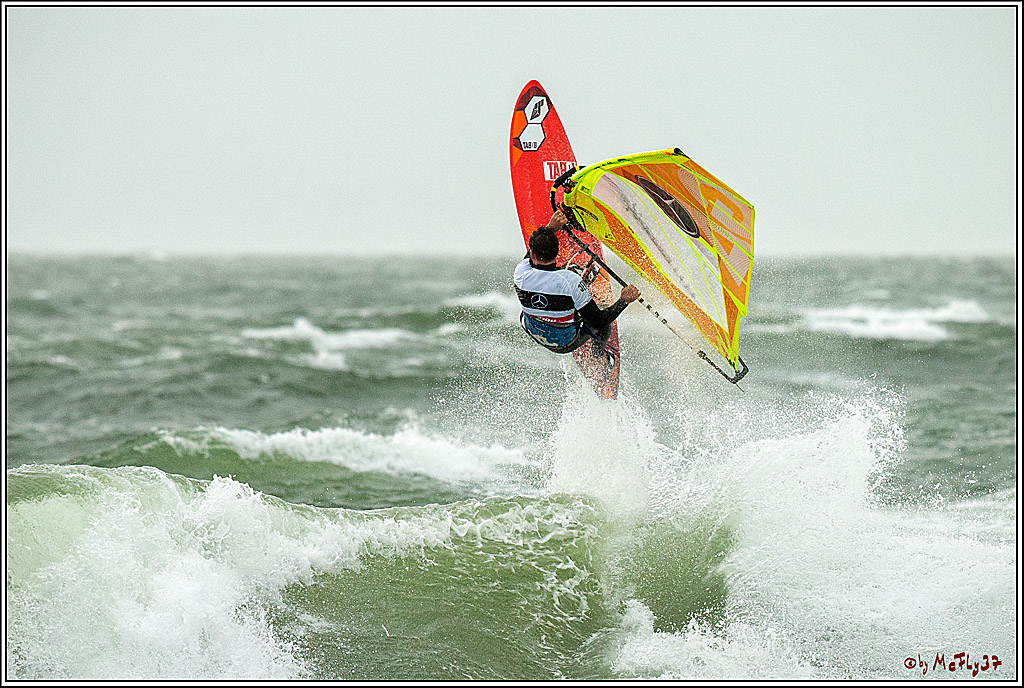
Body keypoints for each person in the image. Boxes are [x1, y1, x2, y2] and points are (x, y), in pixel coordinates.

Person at [513, 208, 641, 360]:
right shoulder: (570, 280)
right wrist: (624, 300)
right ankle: (597, 355)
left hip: (533, 331)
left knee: (565, 287)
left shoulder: (521, 273)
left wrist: (550, 229)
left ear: (533, 254)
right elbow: (599, 321)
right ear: (556, 251)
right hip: (565, 343)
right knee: (605, 324)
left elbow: (530, 257)